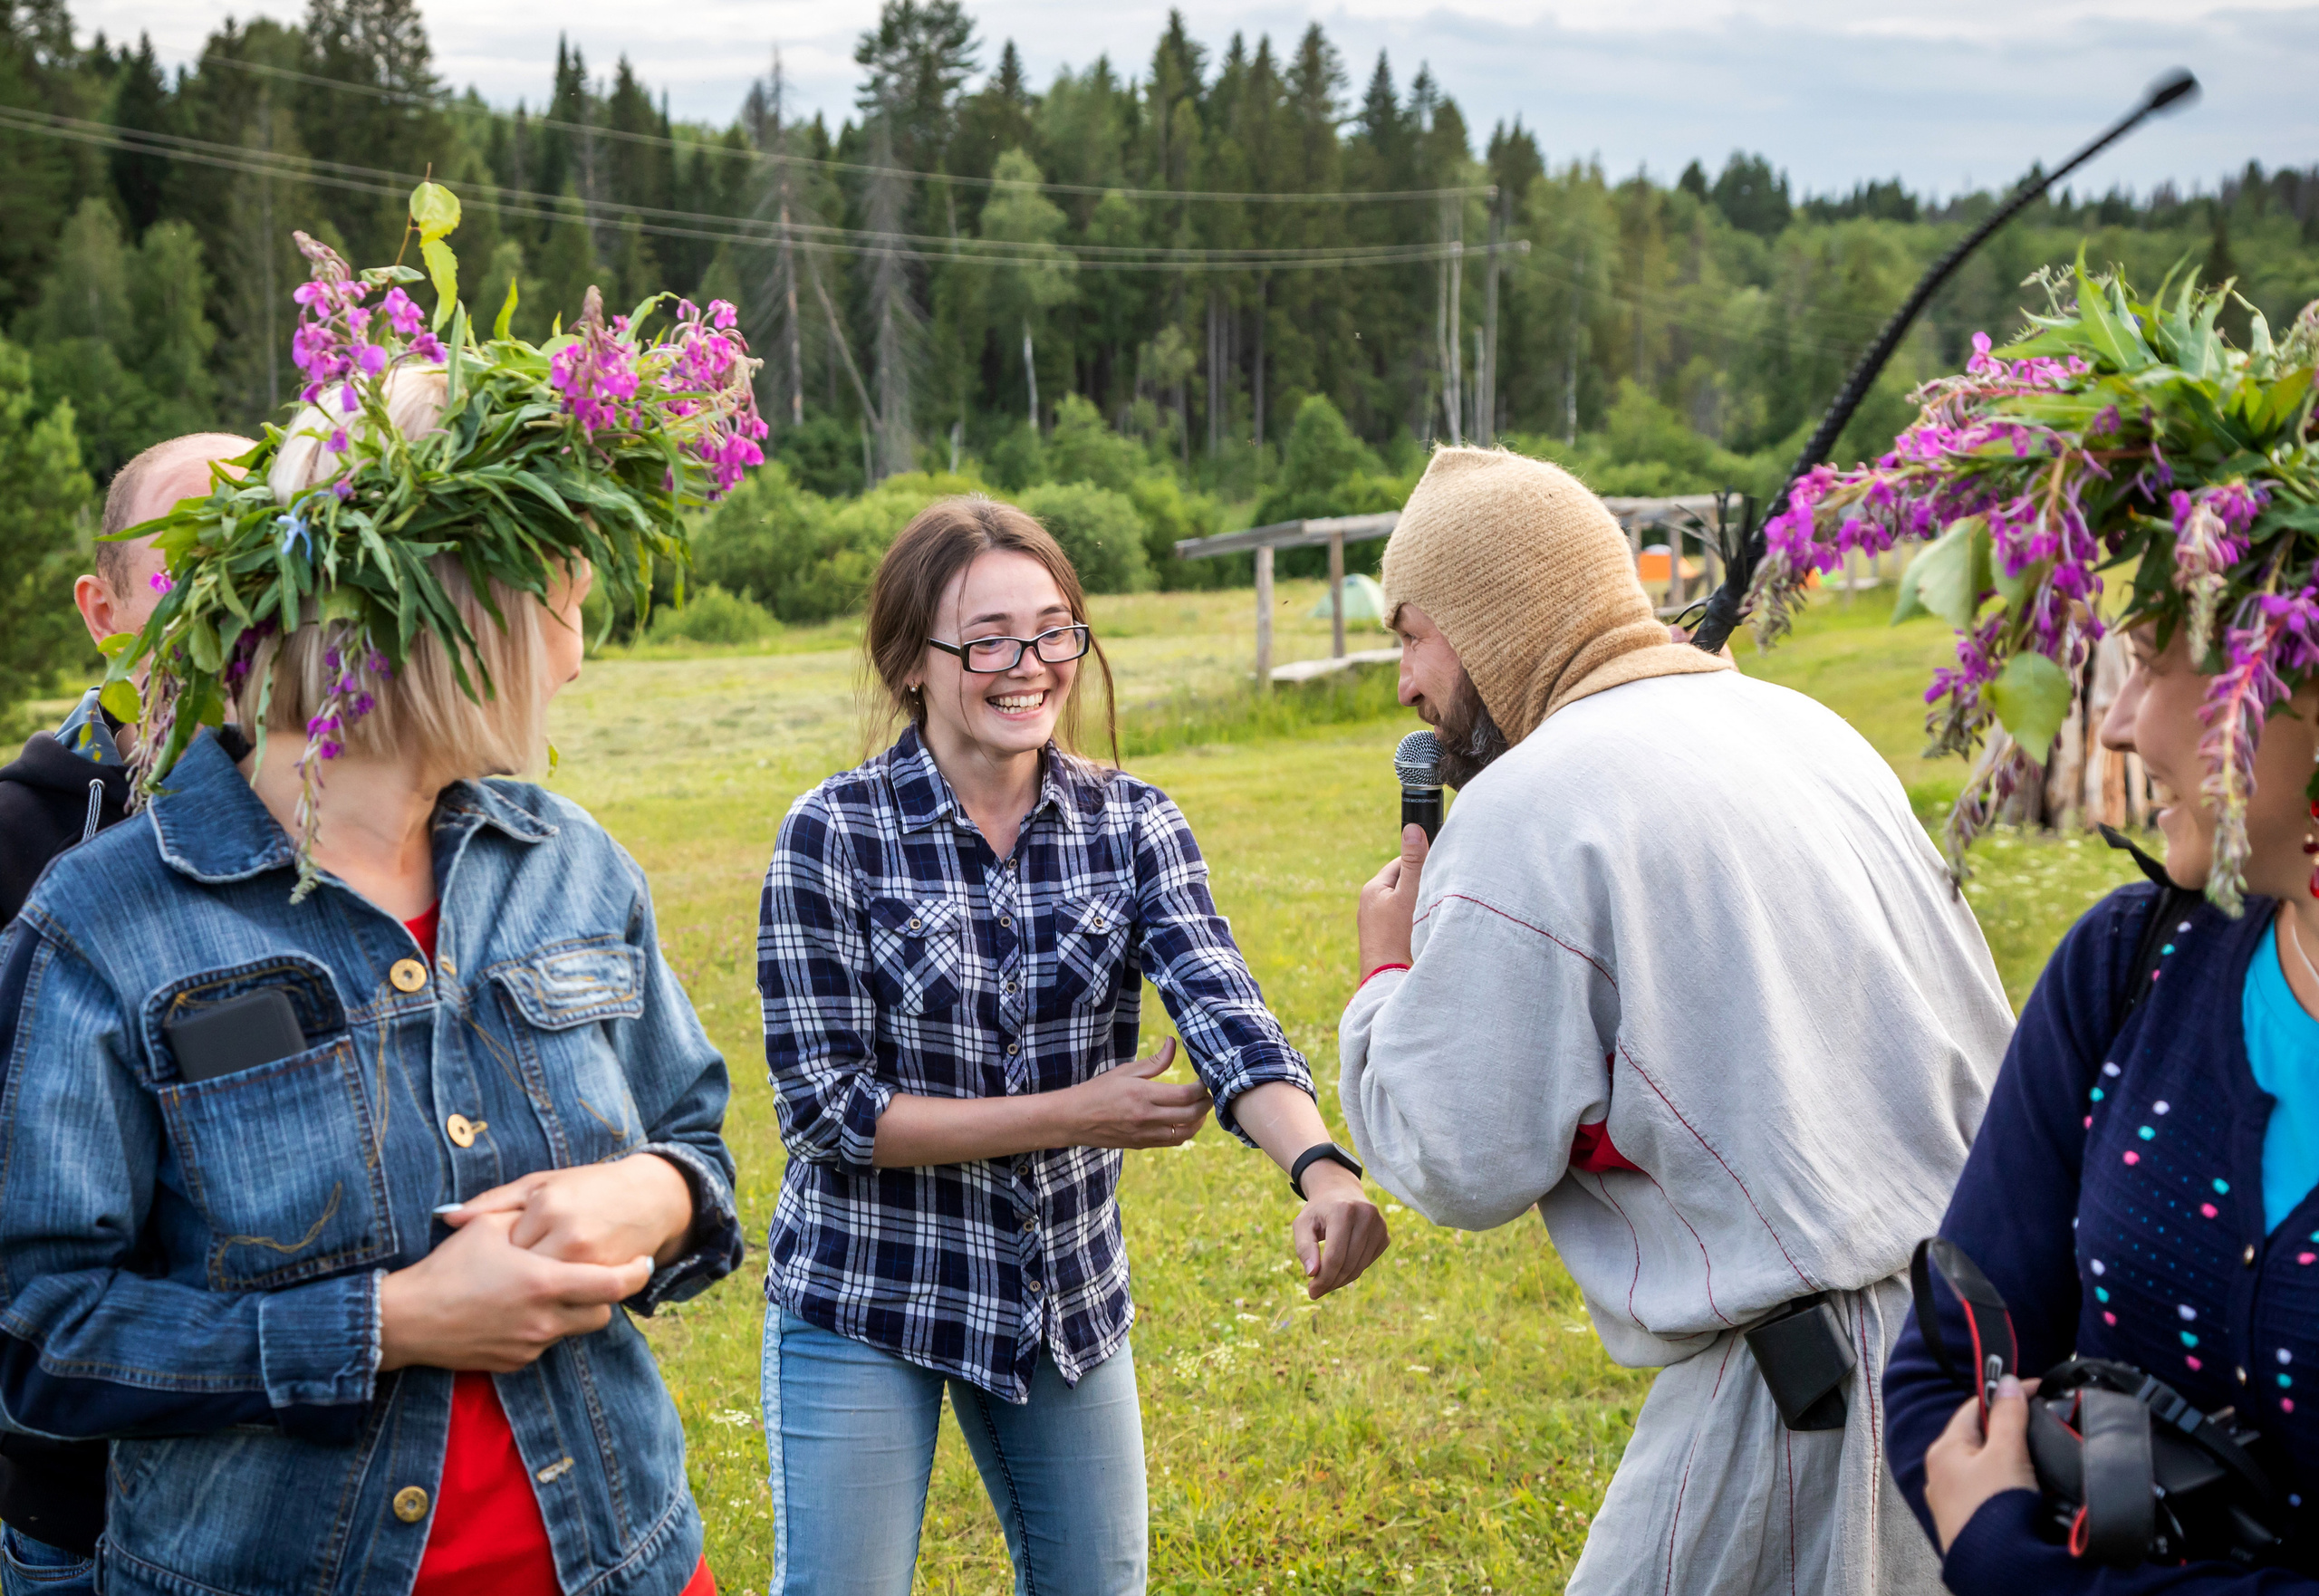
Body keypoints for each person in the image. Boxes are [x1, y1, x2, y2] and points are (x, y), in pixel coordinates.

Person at [0, 204, 757, 1596]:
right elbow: (40, 1339)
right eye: (562, 605)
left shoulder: (573, 863)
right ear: (441, 609)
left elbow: (699, 1145)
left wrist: (650, 1198)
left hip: (630, 1561)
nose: (576, 661)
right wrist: (391, 1321)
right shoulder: (105, 924)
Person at [1336, 447, 2016, 1596]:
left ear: (1492, 616)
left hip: (1806, 1392)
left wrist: (1384, 979)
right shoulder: (1800, 726)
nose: (1404, 679)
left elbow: (1459, 1152)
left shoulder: (1530, 803)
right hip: (1979, 1338)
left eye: (1413, 634)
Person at [756, 496, 1390, 1595]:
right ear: (912, 660)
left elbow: (1223, 1009)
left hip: (1062, 1297)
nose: (1029, 665)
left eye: (1054, 631)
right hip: (867, 1292)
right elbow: (827, 1112)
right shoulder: (832, 833)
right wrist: (1071, 1112)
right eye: (988, 639)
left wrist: (1319, 1165)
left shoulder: (1132, 822)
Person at [1886, 631, 2319, 1591]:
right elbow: (1950, 1365)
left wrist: (2020, 1568)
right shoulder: (2136, 959)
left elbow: (1999, 1544)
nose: (2116, 725)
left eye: (2159, 668)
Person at [0, 431, 249, 1595]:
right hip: (82, 1511)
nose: (236, 589)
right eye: (188, 554)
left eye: (270, 543)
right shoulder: (19, 848)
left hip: (309, 1490)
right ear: (104, 610)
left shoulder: (357, 826)